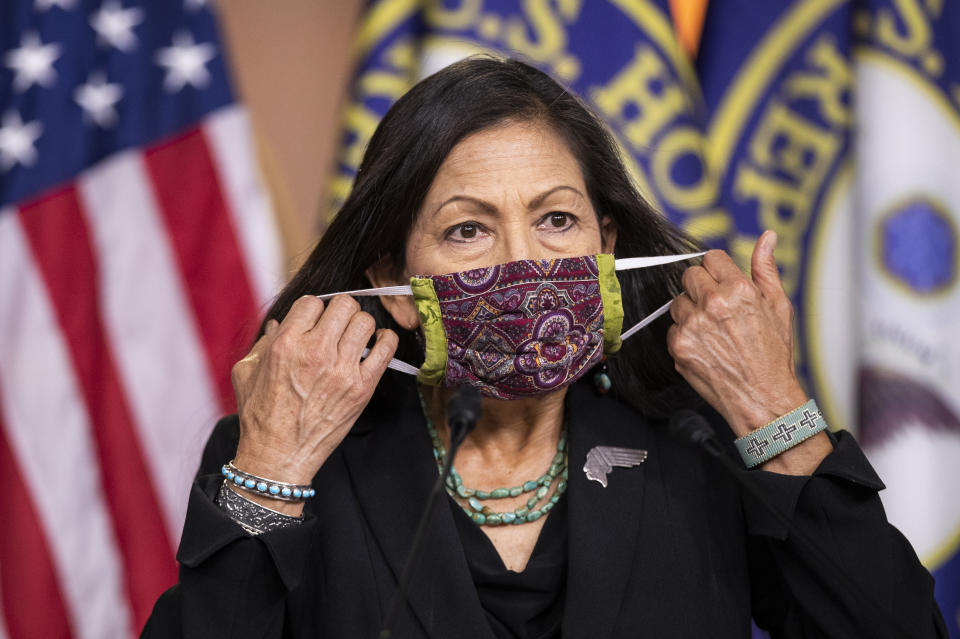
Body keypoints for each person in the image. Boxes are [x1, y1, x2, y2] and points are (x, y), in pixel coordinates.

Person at [143, 57, 946, 638]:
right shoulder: (296, 458)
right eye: (468, 229)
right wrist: (274, 473)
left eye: (556, 219)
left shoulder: (696, 438)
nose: (521, 262)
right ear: (393, 284)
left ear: (608, 240)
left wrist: (776, 410)